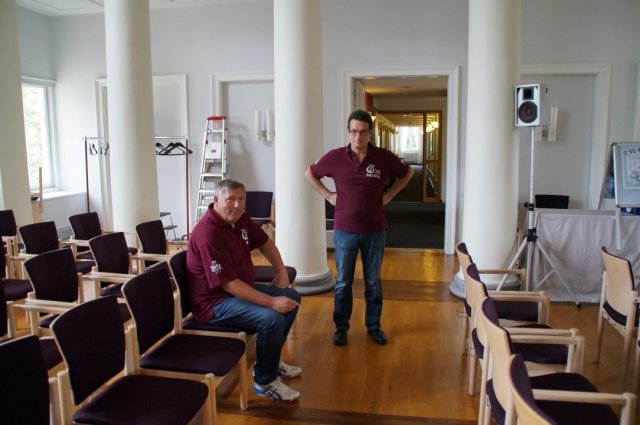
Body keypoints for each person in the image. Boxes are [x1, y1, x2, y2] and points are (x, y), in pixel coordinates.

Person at [304, 109, 414, 346]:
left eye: (363, 132)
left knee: (373, 282)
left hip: (375, 230)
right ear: (348, 132)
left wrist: (390, 194)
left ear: (370, 133)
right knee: (343, 282)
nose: (358, 136)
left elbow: (407, 173)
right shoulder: (335, 157)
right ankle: (341, 327)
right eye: (354, 131)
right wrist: (328, 195)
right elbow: (310, 173)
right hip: (345, 230)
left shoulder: (383, 157)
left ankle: (373, 326)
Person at [187, 179, 302, 403]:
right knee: (271, 318)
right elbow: (229, 284)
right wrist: (271, 302)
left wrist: (281, 271)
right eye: (230, 199)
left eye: (241, 199)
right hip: (214, 304)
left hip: (238, 290)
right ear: (216, 200)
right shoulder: (208, 234)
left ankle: (270, 361)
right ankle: (265, 381)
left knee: (291, 297)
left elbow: (265, 242)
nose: (237, 205)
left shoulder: (240, 219)